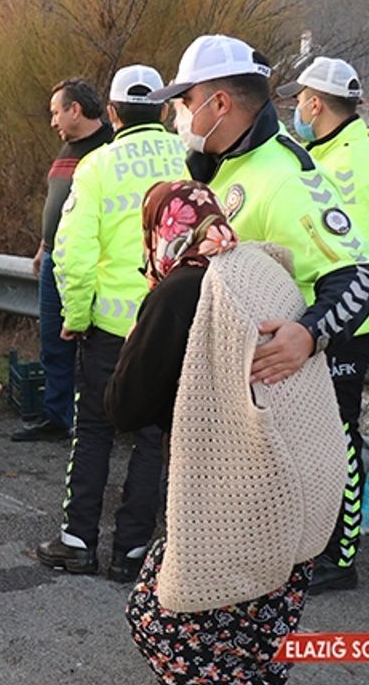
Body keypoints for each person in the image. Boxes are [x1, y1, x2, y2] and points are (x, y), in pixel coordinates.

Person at [150, 35, 369, 593]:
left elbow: (357, 276)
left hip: (288, 378)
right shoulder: (219, 167)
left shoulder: (285, 175)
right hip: (233, 384)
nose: (177, 115)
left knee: (309, 479)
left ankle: (328, 560)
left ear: (219, 103)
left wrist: (309, 335)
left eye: (184, 101)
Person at [107, 181, 345, 685]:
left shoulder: (180, 290)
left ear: (160, 231)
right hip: (303, 486)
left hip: (230, 505)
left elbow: (124, 407)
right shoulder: (261, 267)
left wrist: (140, 329)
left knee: (161, 623)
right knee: (261, 639)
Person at [36, 65, 182, 581]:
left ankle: (78, 542)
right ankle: (133, 551)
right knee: (152, 437)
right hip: (167, 326)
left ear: (113, 113)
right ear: (164, 109)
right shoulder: (191, 160)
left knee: (94, 431)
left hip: (107, 329)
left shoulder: (96, 165)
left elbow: (72, 254)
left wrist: (75, 317)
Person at [279, 56, 369, 590]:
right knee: (333, 433)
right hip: (346, 314)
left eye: (298, 101)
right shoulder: (347, 148)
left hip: (345, 320)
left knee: (339, 435)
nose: (296, 110)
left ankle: (341, 555)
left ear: (315, 103)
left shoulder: (338, 165)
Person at [14, 78, 113, 442]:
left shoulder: (109, 147)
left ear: (75, 109)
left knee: (93, 345)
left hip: (92, 262)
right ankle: (56, 416)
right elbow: (57, 202)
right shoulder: (66, 149)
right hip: (55, 258)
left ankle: (94, 419)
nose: (53, 121)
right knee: (54, 340)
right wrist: (44, 245)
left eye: (57, 112)